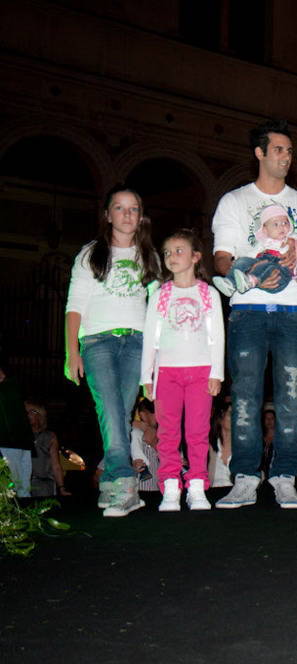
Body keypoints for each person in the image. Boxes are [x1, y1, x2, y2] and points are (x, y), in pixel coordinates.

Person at [212, 118, 297, 510]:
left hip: (293, 310)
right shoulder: (234, 201)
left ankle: (284, 476)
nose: (286, 157)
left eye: (289, 151)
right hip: (248, 311)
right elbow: (221, 258)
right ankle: (245, 476)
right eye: (278, 149)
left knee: (292, 393)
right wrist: (248, 272)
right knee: (245, 393)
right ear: (259, 153)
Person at [65, 186, 159, 517]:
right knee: (110, 409)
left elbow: (157, 308)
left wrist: (155, 357)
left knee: (121, 411)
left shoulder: (149, 255)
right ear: (108, 215)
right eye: (119, 208)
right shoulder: (91, 253)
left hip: (137, 342)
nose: (127, 214)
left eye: (133, 208)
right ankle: (125, 482)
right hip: (98, 341)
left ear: (141, 216)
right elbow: (75, 305)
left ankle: (110, 484)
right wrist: (71, 351)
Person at [140, 229, 224, 511]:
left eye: (179, 251)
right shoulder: (160, 295)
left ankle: (197, 485)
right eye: (167, 252)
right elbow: (150, 338)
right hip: (167, 373)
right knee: (168, 432)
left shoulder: (208, 293)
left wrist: (216, 373)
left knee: (198, 431)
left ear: (195, 256)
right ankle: (170, 486)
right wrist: (147, 376)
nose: (171, 257)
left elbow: (217, 336)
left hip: (200, 372)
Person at [213, 205, 297, 297]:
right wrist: (242, 262)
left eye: (285, 223)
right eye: (276, 224)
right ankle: (230, 283)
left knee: (269, 268)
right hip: (263, 262)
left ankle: (251, 281)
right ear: (265, 230)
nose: (282, 227)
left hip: (281, 270)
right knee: (243, 261)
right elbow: (252, 255)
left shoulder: (290, 239)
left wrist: (295, 245)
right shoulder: (263, 243)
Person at [0, 362, 34, 498]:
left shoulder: (12, 385)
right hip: (10, 442)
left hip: (18, 441)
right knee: (16, 485)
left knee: (22, 486)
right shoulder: (10, 387)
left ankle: (23, 504)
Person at [25, 401, 69, 497]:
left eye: (32, 411)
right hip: (23, 484)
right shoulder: (20, 436)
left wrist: (61, 488)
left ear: (40, 415)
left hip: (44, 485)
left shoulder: (50, 436)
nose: (28, 415)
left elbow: (56, 465)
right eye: (26, 412)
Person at [130, 398, 160, 495]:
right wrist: (132, 468)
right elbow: (100, 473)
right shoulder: (129, 435)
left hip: (162, 494)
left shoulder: (165, 435)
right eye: (156, 412)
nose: (161, 416)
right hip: (137, 493)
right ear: (143, 415)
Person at [208, 402, 233, 489]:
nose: (235, 418)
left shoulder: (241, 446)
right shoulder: (210, 444)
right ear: (220, 418)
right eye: (231, 414)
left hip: (236, 492)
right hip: (213, 491)